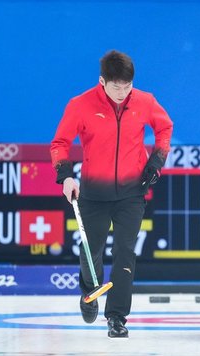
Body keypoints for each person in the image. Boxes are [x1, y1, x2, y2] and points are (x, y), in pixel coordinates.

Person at [51, 50, 173, 338]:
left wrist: (156, 161)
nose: (122, 93)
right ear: (102, 81)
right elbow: (60, 142)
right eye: (116, 86)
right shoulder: (80, 105)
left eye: (127, 86)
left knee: (125, 251)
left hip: (132, 192)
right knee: (90, 250)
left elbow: (165, 127)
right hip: (93, 192)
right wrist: (66, 176)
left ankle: (117, 316)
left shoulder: (145, 101)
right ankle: (89, 293)